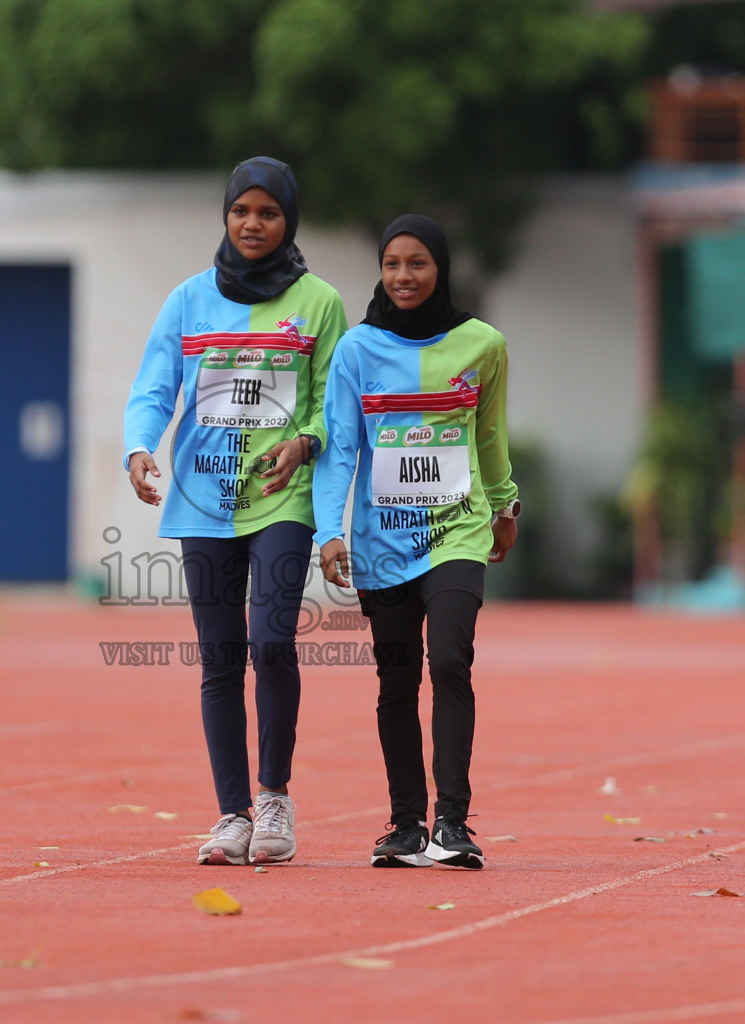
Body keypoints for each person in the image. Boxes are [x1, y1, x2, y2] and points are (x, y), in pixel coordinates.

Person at [123, 157, 346, 865]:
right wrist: (138, 447)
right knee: (220, 659)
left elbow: (331, 404)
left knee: (271, 642)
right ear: (225, 216)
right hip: (200, 500)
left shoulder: (320, 304)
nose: (253, 224)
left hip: (281, 498)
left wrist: (306, 442)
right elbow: (155, 384)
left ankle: (275, 796)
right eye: (241, 211)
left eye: (268, 213)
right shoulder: (187, 301)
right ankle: (232, 815)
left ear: (289, 222)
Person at [314, 215, 518, 870]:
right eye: (393, 263)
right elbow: (341, 450)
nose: (404, 276)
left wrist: (506, 503)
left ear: (442, 269)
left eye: (418, 263)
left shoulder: (483, 344)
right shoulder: (356, 350)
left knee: (451, 661)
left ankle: (452, 824)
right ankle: (405, 826)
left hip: (456, 530)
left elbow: (489, 437)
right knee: (396, 681)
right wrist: (329, 531)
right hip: (382, 542)